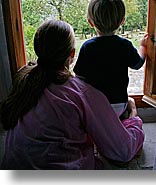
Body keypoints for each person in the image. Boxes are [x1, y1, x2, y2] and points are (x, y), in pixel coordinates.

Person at [0, 20, 144, 170]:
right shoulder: (82, 93)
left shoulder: (24, 82)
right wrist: (133, 114)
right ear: (72, 54)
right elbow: (122, 151)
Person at [73, 0, 148, 116]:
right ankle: (129, 117)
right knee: (128, 106)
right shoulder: (125, 45)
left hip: (94, 106)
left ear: (90, 22)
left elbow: (79, 75)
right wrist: (143, 46)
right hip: (119, 105)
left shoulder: (88, 47)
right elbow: (138, 64)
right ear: (122, 21)